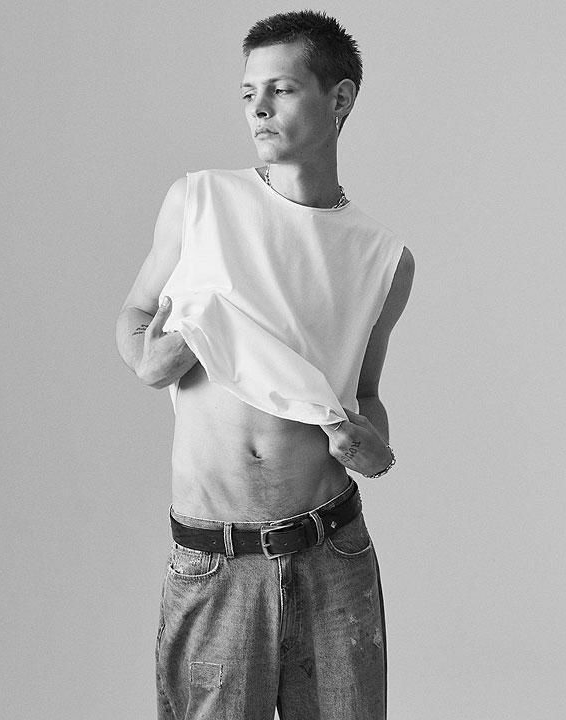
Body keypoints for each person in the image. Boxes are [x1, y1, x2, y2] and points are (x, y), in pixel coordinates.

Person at [116, 10, 414, 720]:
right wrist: (153, 353)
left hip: (331, 552)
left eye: (280, 89)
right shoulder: (199, 201)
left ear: (339, 99)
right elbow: (137, 314)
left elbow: (365, 394)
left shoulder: (384, 260)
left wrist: (375, 447)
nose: (258, 108)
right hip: (214, 557)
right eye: (249, 92)